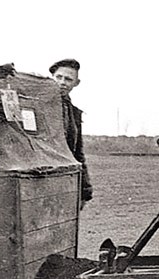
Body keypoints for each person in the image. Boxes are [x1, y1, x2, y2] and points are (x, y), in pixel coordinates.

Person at [49, 58, 93, 205]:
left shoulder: (74, 114)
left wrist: (85, 191)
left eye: (68, 79)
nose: (62, 82)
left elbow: (78, 154)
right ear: (51, 78)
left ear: (76, 83)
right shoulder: (38, 106)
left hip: (64, 179)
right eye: (58, 77)